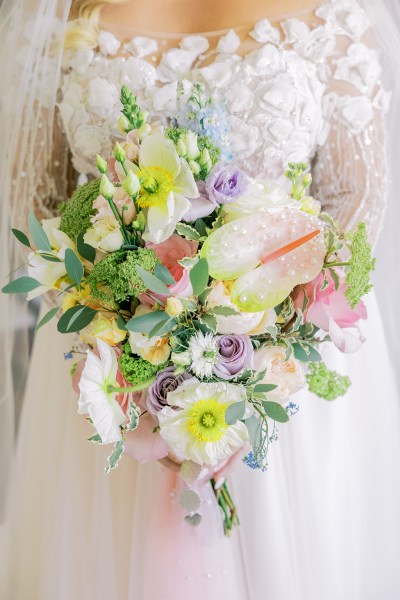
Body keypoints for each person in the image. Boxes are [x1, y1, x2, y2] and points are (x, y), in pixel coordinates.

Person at [1, 0, 400, 598]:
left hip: (285, 377)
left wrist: (258, 355)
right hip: (112, 375)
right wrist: (129, 349)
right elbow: (37, 199)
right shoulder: (56, 18)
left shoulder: (332, 19)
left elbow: (355, 195)